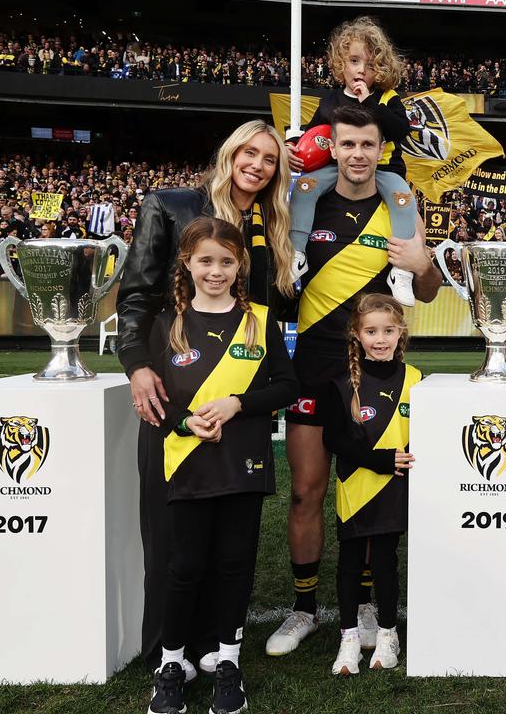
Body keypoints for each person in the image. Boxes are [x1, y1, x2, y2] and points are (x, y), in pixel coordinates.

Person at [116, 119, 295, 675]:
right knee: (172, 533)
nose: (257, 164)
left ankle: (220, 650)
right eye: (249, 152)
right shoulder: (170, 205)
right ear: (229, 153)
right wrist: (138, 366)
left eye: (269, 158)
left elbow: (263, 317)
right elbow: (137, 293)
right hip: (175, 391)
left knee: (229, 540)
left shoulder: (271, 227)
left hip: (235, 403)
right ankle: (169, 654)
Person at [267, 105, 441, 658]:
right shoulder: (306, 201)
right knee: (306, 489)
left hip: (374, 373)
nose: (359, 154)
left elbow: (430, 291)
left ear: (379, 150)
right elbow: (283, 286)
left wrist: (424, 264)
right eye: (348, 145)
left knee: (373, 485)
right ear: (334, 147)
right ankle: (303, 609)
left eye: (368, 145)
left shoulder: (400, 207)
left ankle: (366, 605)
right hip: (314, 367)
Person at [144, 217, 299, 714]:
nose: (216, 271)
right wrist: (185, 424)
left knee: (235, 564)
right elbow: (157, 400)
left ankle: (228, 661)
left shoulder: (259, 320)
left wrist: (237, 403)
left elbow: (287, 386)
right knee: (184, 566)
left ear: (240, 265)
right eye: (206, 261)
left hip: (243, 463)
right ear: (187, 263)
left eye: (226, 262)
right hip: (187, 461)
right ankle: (171, 665)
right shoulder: (167, 322)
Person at [287, 16, 418, 306]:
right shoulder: (330, 101)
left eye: (370, 65)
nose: (361, 70)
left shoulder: (387, 98)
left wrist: (368, 102)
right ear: (340, 65)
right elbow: (313, 135)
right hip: (336, 170)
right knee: (305, 187)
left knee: (405, 200)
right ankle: (296, 253)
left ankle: (401, 271)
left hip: (384, 171)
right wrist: (290, 147)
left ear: (380, 69)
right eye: (355, 61)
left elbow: (401, 130)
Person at [322, 294, 419, 675]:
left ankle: (388, 635)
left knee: (384, 562)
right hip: (356, 487)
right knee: (348, 563)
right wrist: (379, 460)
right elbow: (335, 440)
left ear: (401, 334)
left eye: (388, 331)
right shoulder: (342, 383)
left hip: (393, 490)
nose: (380, 339)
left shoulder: (415, 380)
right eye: (371, 331)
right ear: (357, 336)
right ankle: (348, 639)